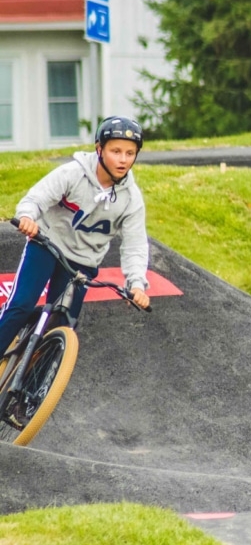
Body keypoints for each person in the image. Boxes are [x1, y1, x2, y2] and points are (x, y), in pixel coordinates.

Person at [1, 117, 151, 424]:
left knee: (63, 325)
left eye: (129, 153)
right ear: (99, 149)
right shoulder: (73, 173)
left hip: (83, 264)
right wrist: (28, 217)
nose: (123, 159)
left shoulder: (131, 199)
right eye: (116, 151)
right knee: (21, 304)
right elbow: (36, 198)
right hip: (47, 244)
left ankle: (26, 398)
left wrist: (137, 284)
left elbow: (135, 245)